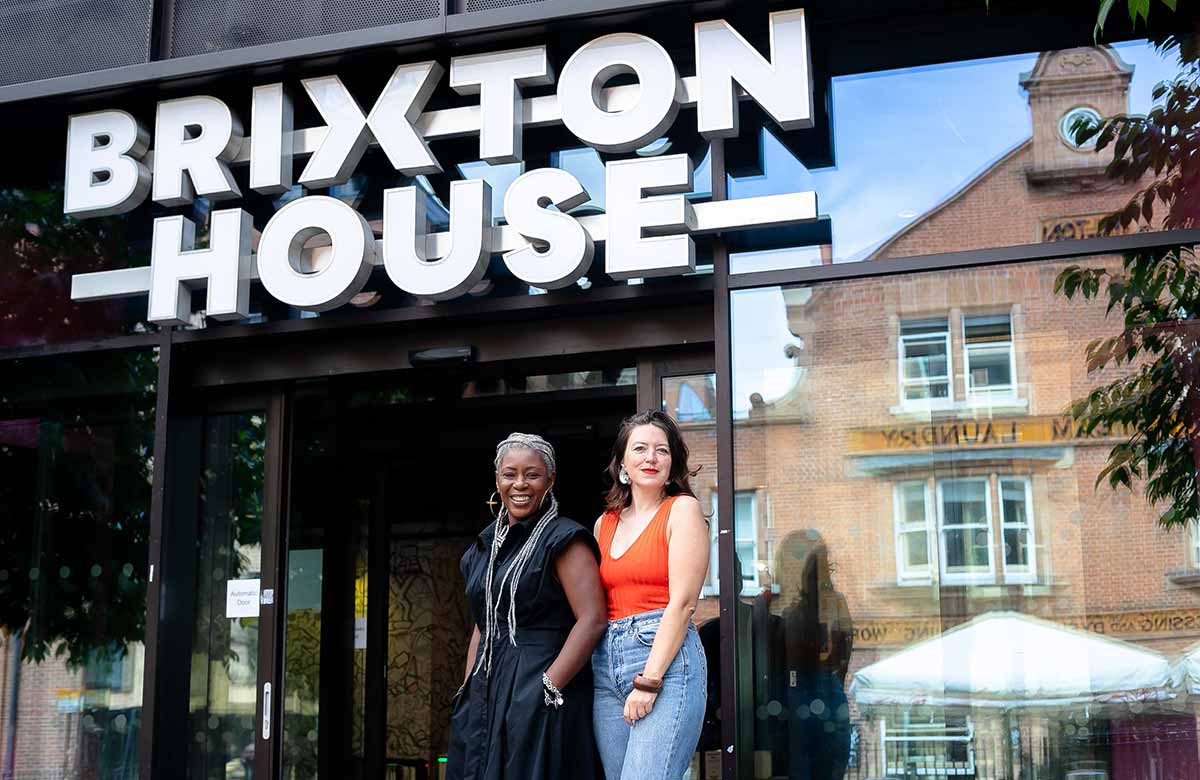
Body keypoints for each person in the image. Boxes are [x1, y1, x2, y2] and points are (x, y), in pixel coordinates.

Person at [447, 433, 608, 780]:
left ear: (550, 480)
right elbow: (483, 622)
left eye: (532, 475)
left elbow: (592, 619)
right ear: (497, 480)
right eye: (510, 474)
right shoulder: (483, 547)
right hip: (487, 689)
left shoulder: (565, 539)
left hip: (542, 685)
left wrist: (549, 686)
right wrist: (468, 687)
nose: (520, 484)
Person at [592, 411, 710, 780]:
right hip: (606, 666)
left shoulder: (682, 510)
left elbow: (684, 603)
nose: (651, 458)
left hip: (665, 662)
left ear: (672, 462)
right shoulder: (604, 523)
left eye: (662, 450)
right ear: (622, 462)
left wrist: (649, 680)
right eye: (640, 448)